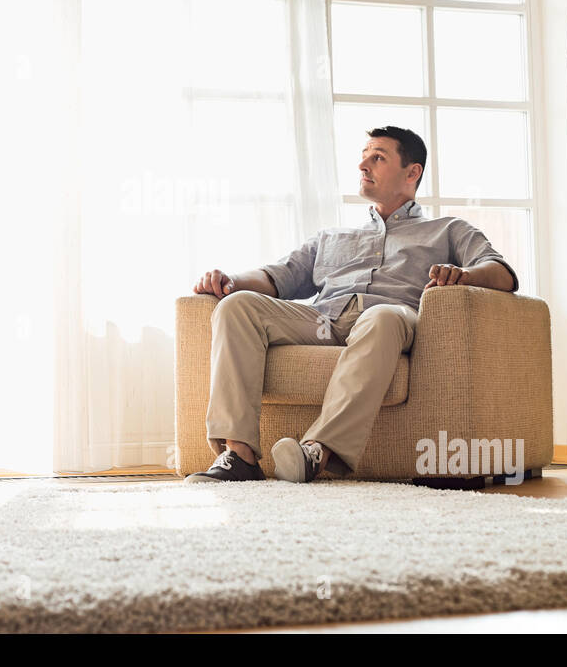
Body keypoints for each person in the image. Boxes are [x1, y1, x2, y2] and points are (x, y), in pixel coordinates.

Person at [185, 125, 520, 484]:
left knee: (382, 317)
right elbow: (275, 277)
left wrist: (464, 276)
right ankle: (240, 457)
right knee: (238, 306)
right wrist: (230, 281)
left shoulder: (448, 229)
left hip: (389, 319)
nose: (363, 167)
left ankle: (317, 451)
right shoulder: (331, 237)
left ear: (412, 172)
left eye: (377, 158)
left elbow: (502, 273)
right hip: (322, 320)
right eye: (362, 159)